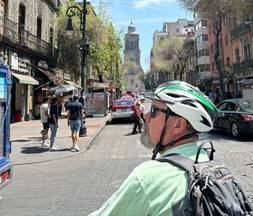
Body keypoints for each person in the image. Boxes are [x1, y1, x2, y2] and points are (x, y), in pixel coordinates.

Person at [88, 81, 217, 216]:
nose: (146, 115)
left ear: (179, 124)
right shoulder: (210, 161)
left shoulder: (148, 178)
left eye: (154, 110)